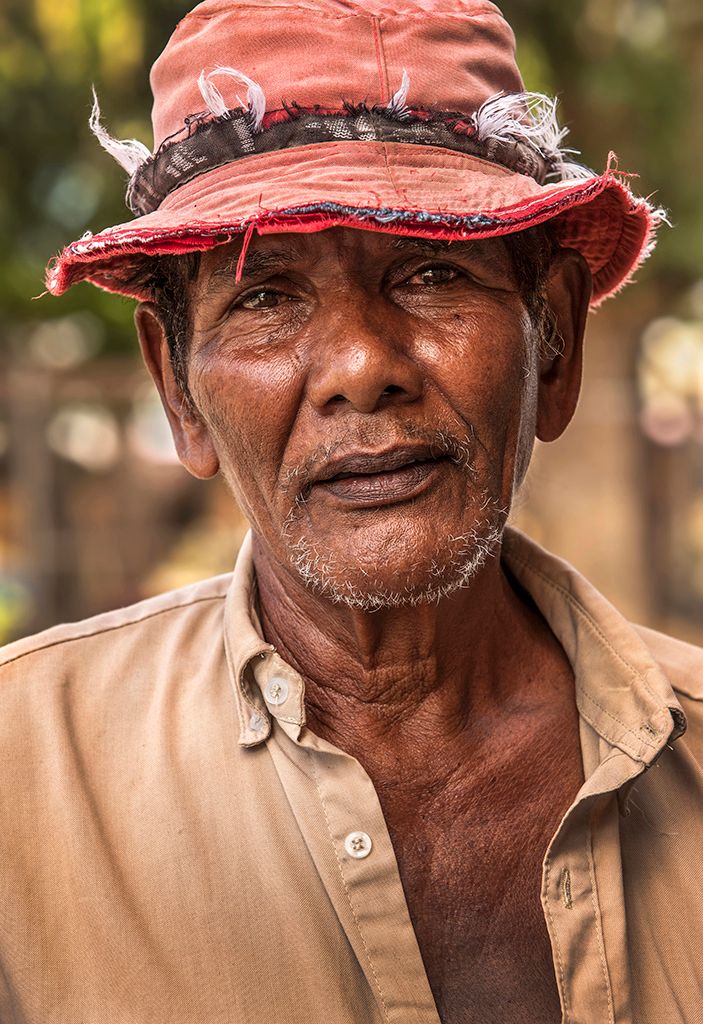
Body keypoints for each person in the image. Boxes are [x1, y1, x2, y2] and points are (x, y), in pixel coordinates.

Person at [2, 1, 701, 1021]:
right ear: (177, 393)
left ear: (552, 341)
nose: (363, 368)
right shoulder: (21, 779)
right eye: (266, 297)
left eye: (430, 272)